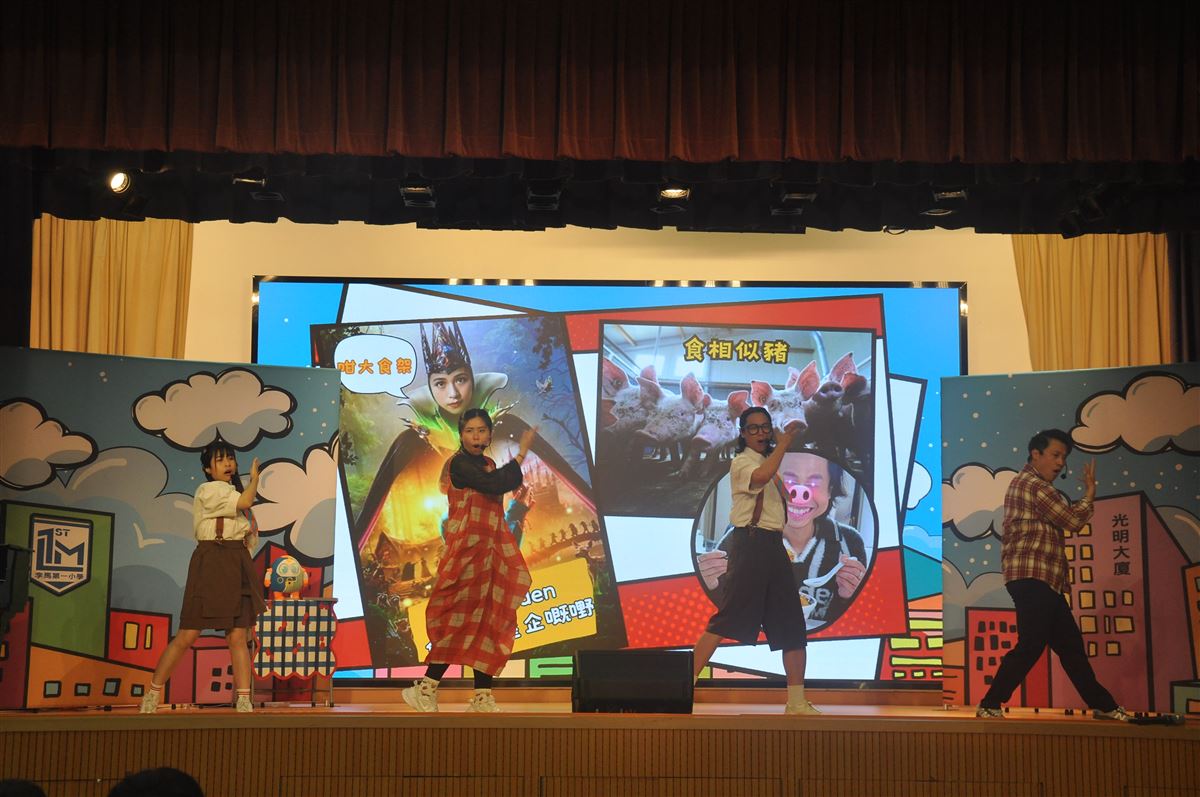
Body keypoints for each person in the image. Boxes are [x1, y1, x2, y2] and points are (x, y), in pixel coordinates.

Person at [975, 429, 1128, 721]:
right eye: (1056, 455)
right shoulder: (1035, 485)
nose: (1060, 463)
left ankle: (1105, 705)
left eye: (1064, 457)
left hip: (1043, 581)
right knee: (1032, 643)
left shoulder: (1028, 484)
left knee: (1070, 648)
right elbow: (1071, 520)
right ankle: (990, 703)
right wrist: (1089, 495)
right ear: (1036, 454)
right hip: (1034, 577)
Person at [402, 409, 536, 713]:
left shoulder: (488, 464)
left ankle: (482, 696)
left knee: (489, 622)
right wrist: (522, 453)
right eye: (470, 431)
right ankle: (425, 689)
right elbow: (495, 484)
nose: (476, 436)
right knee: (458, 619)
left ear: (489, 435)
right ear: (461, 435)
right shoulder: (459, 464)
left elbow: (497, 488)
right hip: (466, 553)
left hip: (490, 552)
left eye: (481, 431)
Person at [691, 406, 820, 715]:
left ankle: (796, 702)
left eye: (765, 427)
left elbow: (787, 496)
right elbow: (759, 479)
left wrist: (779, 455)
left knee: (791, 623)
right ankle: (680, 687)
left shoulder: (766, 462)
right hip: (750, 542)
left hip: (772, 544)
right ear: (743, 433)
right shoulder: (742, 462)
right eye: (754, 428)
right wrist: (783, 446)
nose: (761, 432)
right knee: (727, 618)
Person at [140, 440, 266, 714]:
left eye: (230, 458)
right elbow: (246, 500)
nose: (228, 464)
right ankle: (152, 693)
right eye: (220, 460)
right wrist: (255, 479)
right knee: (188, 633)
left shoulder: (234, 493)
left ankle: (244, 699)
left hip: (236, 561)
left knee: (237, 636)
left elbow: (249, 530)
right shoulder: (209, 490)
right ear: (208, 469)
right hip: (212, 560)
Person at [779, 453, 868, 625]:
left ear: (830, 490)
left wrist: (852, 598)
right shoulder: (742, 537)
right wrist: (721, 585)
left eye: (814, 483)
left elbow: (859, 623)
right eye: (789, 480)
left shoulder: (850, 542)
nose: (799, 493)